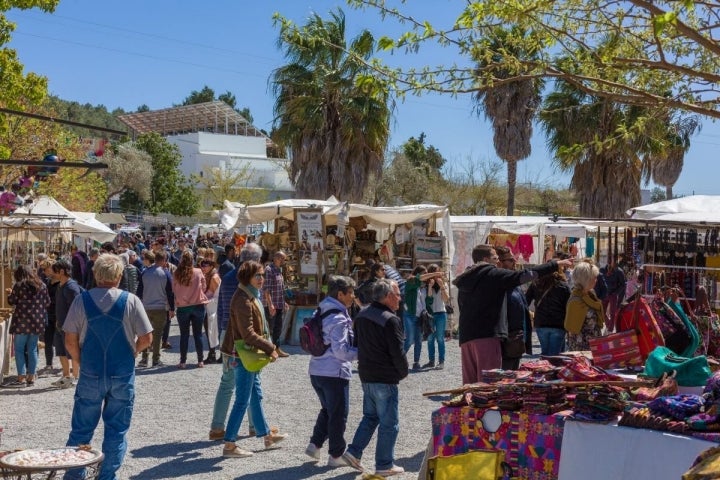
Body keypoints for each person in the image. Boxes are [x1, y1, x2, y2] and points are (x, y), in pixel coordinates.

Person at [63, 253, 153, 480]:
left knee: (81, 430)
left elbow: (69, 340)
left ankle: (75, 475)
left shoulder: (81, 300)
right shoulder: (131, 301)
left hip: (91, 372)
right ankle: (106, 476)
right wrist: (133, 352)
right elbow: (147, 338)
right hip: (121, 374)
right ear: (120, 275)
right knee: (116, 430)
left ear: (95, 274)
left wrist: (80, 361)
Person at [453, 244, 574, 384]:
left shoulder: (466, 278)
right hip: (487, 336)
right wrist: (554, 264)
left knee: (470, 384)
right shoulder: (492, 274)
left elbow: (461, 307)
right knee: (489, 385)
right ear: (486, 259)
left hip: (467, 337)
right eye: (495, 257)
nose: (497, 261)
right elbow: (525, 275)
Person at [220, 260, 287, 458]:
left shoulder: (250, 295)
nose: (261, 279)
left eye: (262, 275)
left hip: (247, 354)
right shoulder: (242, 298)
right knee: (242, 400)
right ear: (247, 277)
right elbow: (247, 333)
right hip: (243, 354)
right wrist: (271, 348)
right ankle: (229, 444)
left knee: (255, 395)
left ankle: (266, 436)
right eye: (257, 275)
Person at [343, 279, 408, 477]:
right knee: (389, 423)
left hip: (366, 375)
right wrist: (402, 372)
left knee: (370, 417)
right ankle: (384, 464)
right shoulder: (390, 319)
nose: (399, 299)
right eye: (397, 295)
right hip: (384, 377)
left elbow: (357, 343)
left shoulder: (362, 315)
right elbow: (397, 351)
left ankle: (354, 452)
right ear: (388, 296)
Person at [209, 242, 271, 441]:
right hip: (239, 335)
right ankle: (253, 427)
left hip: (228, 332)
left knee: (230, 382)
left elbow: (221, 308)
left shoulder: (227, 276)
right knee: (249, 380)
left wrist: (219, 332)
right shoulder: (244, 280)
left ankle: (219, 427)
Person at [305, 275, 359, 468]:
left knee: (328, 409)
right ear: (340, 294)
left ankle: (315, 444)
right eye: (351, 292)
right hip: (333, 372)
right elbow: (341, 351)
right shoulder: (338, 318)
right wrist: (363, 353)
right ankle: (336, 455)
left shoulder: (320, 311)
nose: (353, 296)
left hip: (316, 370)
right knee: (338, 414)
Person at [6, 265, 51, 387]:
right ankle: (31, 376)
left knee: (19, 350)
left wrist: (10, 294)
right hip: (37, 322)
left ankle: (21, 378)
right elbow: (47, 302)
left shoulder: (19, 285)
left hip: (22, 321)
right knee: (32, 349)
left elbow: (12, 301)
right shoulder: (42, 285)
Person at [136, 250, 175, 368]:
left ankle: (144, 359)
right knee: (158, 334)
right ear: (164, 260)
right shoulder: (165, 274)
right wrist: (172, 308)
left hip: (146, 308)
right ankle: (156, 360)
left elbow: (139, 292)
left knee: (145, 333)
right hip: (160, 307)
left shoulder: (145, 272)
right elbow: (170, 293)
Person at [495, 247, 532, 370]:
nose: (514, 262)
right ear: (499, 262)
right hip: (505, 342)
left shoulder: (514, 283)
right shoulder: (499, 284)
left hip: (517, 342)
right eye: (510, 260)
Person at [403, 266, 445, 370]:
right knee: (409, 339)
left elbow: (428, 302)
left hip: (420, 317)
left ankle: (416, 362)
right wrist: (435, 274)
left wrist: (430, 287)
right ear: (419, 273)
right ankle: (398, 360)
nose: (427, 276)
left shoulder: (424, 287)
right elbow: (418, 278)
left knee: (419, 340)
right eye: (424, 273)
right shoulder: (411, 282)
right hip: (410, 315)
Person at [526, 260, 572, 356]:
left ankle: (544, 369)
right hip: (558, 324)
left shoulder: (535, 284)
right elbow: (569, 307)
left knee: (545, 353)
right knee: (554, 356)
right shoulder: (563, 286)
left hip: (541, 323)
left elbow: (525, 301)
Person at [172, 250, 208, 368]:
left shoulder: (177, 273)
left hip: (183, 307)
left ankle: (183, 361)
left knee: (184, 335)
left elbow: (173, 289)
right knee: (198, 334)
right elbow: (204, 286)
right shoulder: (198, 272)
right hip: (198, 304)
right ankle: (200, 360)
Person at [51, 259, 83, 389]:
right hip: (61, 325)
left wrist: (73, 326)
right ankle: (66, 376)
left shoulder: (71, 287)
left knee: (73, 351)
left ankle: (75, 377)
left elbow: (76, 307)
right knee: (61, 351)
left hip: (70, 327)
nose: (52, 274)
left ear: (62, 271)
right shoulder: (60, 286)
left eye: (55, 272)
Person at [565, 261, 604, 351]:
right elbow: (572, 329)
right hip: (581, 347)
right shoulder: (575, 300)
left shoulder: (591, 294)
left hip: (594, 343)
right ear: (586, 279)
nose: (596, 280)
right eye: (594, 277)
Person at [262, 251, 289, 357]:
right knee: (270, 328)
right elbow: (266, 289)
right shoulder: (269, 270)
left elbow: (280, 289)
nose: (282, 260)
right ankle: (268, 350)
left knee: (278, 327)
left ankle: (277, 348)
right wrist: (270, 304)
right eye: (281, 258)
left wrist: (284, 301)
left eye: (283, 259)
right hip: (272, 304)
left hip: (279, 303)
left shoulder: (279, 270)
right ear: (275, 257)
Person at [422, 263, 449, 370]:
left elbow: (446, 299)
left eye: (438, 273)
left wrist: (442, 286)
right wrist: (430, 286)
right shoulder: (425, 286)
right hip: (430, 314)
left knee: (440, 338)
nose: (437, 277)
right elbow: (428, 301)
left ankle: (441, 361)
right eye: (434, 274)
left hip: (441, 313)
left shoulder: (444, 284)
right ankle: (431, 361)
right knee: (430, 338)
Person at [200, 257, 222, 363]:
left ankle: (219, 354)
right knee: (210, 332)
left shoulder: (214, 277)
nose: (203, 267)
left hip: (214, 309)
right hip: (209, 308)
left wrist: (207, 300)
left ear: (211, 266)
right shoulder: (207, 276)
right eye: (202, 265)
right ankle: (212, 353)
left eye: (205, 265)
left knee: (214, 331)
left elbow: (219, 294)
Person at [599, 257, 626, 332]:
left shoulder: (619, 271)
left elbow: (623, 285)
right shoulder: (602, 270)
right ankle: (608, 324)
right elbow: (599, 282)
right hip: (604, 294)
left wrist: (616, 293)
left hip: (613, 294)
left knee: (612, 312)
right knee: (602, 311)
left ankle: (610, 329)